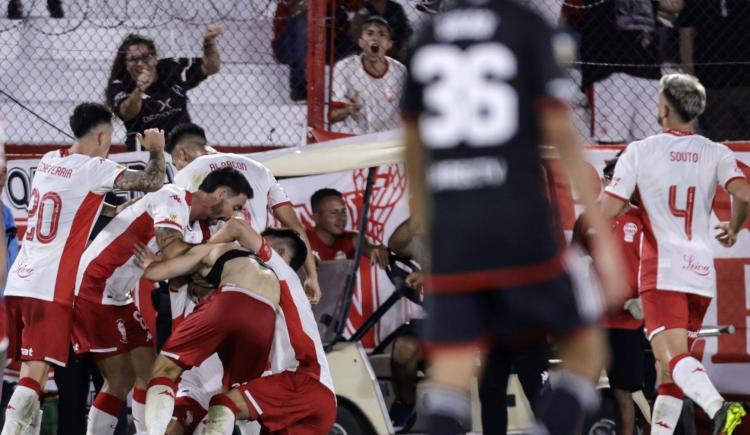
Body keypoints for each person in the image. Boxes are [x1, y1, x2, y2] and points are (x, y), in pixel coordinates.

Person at [402, 2, 625, 434]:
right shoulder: (526, 25)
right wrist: (602, 233)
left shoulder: (427, 35)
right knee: (586, 349)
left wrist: (429, 223)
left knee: (450, 373)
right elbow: (559, 131)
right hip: (516, 219)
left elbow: (412, 142)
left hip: (455, 228)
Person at [1, 102, 166, 435]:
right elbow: (153, 180)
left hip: (20, 283)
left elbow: (74, 204)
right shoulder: (94, 169)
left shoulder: (50, 160)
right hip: (50, 286)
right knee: (34, 376)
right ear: (103, 135)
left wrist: (118, 207)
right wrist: (156, 151)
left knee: (30, 373)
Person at [600, 73, 750, 435]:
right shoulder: (716, 151)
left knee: (671, 358)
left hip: (662, 271)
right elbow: (744, 193)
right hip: (700, 273)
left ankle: (719, 407)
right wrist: (733, 227)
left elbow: (609, 209)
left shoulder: (641, 150)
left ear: (664, 107)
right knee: (670, 373)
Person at [72, 167, 252, 435]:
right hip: (93, 287)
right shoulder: (173, 197)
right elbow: (175, 251)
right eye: (235, 206)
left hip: (118, 296)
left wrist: (181, 262)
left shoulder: (201, 230)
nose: (232, 216)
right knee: (121, 378)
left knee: (149, 375)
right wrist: (213, 249)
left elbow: (184, 274)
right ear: (221, 193)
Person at [159, 224, 336, 435]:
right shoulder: (262, 292)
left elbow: (239, 228)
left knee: (224, 403)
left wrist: (199, 253)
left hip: (302, 381)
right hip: (312, 400)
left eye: (257, 246)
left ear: (279, 254)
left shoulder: (278, 272)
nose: (248, 252)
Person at [136, 228, 281, 435]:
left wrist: (153, 264)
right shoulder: (263, 267)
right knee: (233, 401)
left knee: (162, 371)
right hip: (265, 316)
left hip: (231, 303)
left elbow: (156, 273)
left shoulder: (207, 253)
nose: (196, 298)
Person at [167, 122, 323, 303]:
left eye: (174, 163)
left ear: (181, 154)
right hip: (262, 270)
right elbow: (295, 226)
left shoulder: (187, 174)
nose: (176, 166)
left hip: (217, 271)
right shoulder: (260, 169)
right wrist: (312, 276)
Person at [574, 153, 647, 435]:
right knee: (580, 391)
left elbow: (654, 266)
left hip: (627, 322)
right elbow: (574, 261)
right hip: (592, 321)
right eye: (613, 177)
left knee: (623, 394)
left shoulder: (643, 220)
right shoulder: (587, 218)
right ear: (606, 180)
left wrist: (643, 300)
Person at [579, 0, 682, 144]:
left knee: (652, 142)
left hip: (648, 68)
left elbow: (676, 4)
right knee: (611, 142)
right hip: (610, 68)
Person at [104, 27, 222, 151]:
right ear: (126, 65)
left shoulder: (171, 69)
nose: (140, 63)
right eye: (133, 59)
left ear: (155, 58)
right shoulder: (120, 83)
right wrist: (139, 90)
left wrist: (209, 42)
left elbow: (211, 67)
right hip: (147, 151)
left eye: (145, 57)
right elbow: (127, 113)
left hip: (182, 143)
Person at [679, 0, 750, 141]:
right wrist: (691, 79)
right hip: (713, 85)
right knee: (725, 146)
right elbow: (686, 35)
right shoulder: (697, 4)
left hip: (743, 82)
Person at [329, 16, 406, 135]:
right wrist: (349, 109)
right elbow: (330, 117)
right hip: (355, 139)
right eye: (370, 33)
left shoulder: (400, 72)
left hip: (389, 138)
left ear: (389, 44)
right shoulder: (345, 68)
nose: (375, 38)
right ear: (361, 41)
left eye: (382, 34)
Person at [307, 188, 388, 267]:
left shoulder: (352, 239)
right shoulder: (303, 241)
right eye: (333, 213)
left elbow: (367, 247)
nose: (341, 218)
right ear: (316, 218)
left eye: (343, 212)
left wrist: (375, 250)